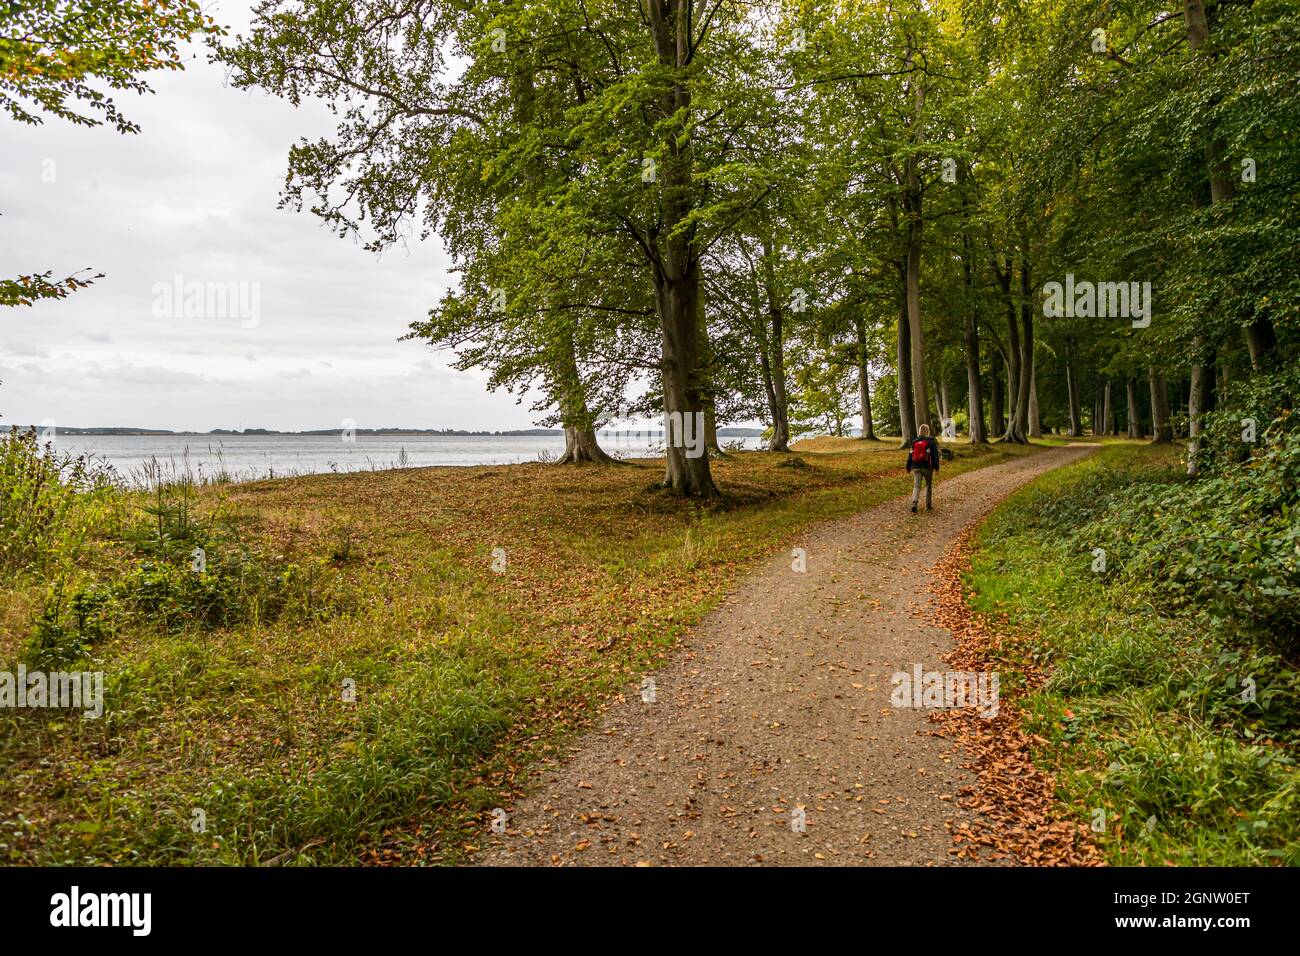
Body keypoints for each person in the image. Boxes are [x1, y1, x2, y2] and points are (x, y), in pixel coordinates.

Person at [906, 423, 940, 513]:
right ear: (928, 431)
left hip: (916, 466)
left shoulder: (914, 441)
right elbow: (935, 455)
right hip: (927, 467)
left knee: (916, 485)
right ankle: (928, 506)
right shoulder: (931, 441)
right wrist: (936, 467)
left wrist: (908, 466)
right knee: (928, 485)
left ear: (919, 431)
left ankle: (914, 503)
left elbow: (910, 454)